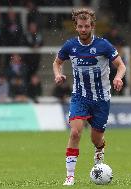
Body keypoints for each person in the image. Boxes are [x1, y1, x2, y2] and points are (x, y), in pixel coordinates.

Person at [52, 8, 126, 186]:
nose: (83, 29)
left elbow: (121, 65)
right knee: (76, 132)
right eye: (80, 26)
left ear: (92, 26)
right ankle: (70, 176)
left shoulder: (103, 45)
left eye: (86, 26)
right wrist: (57, 74)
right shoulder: (70, 46)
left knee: (96, 139)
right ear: (76, 27)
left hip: (101, 99)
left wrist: (117, 77)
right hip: (80, 97)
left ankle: (99, 149)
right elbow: (57, 62)